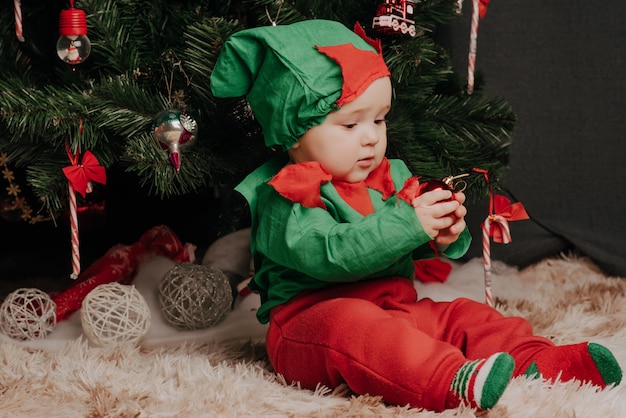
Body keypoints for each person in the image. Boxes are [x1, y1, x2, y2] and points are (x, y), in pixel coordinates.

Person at [210, 19, 622, 412]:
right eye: (350, 124)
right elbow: (335, 255)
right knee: (354, 327)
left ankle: (537, 363)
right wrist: (409, 223)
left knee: (464, 314)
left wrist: (440, 231)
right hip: (311, 326)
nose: (371, 137)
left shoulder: (389, 176)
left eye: (379, 119)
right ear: (294, 132)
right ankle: (450, 380)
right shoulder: (288, 196)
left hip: (396, 310)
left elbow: (413, 238)